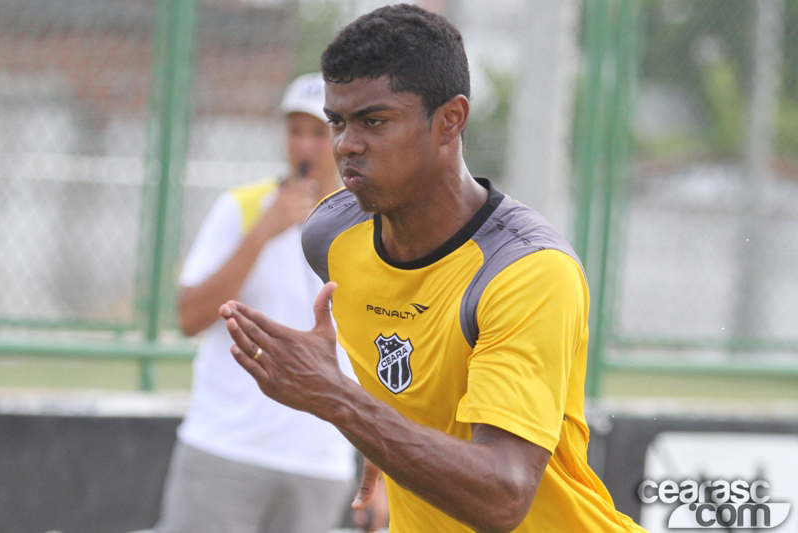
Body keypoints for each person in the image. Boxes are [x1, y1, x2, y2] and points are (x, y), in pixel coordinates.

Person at [221, 4, 645, 533]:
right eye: (338, 121)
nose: (346, 145)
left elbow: (503, 496)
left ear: (450, 120)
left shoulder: (527, 272)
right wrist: (381, 440)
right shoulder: (330, 237)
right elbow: (408, 384)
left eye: (374, 121)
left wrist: (339, 400)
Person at [154, 73, 358, 533]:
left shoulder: (371, 224)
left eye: (319, 132)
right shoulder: (242, 207)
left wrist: (380, 474)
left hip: (320, 464)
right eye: (294, 131)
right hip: (226, 449)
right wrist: (264, 231)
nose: (304, 146)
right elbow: (189, 316)